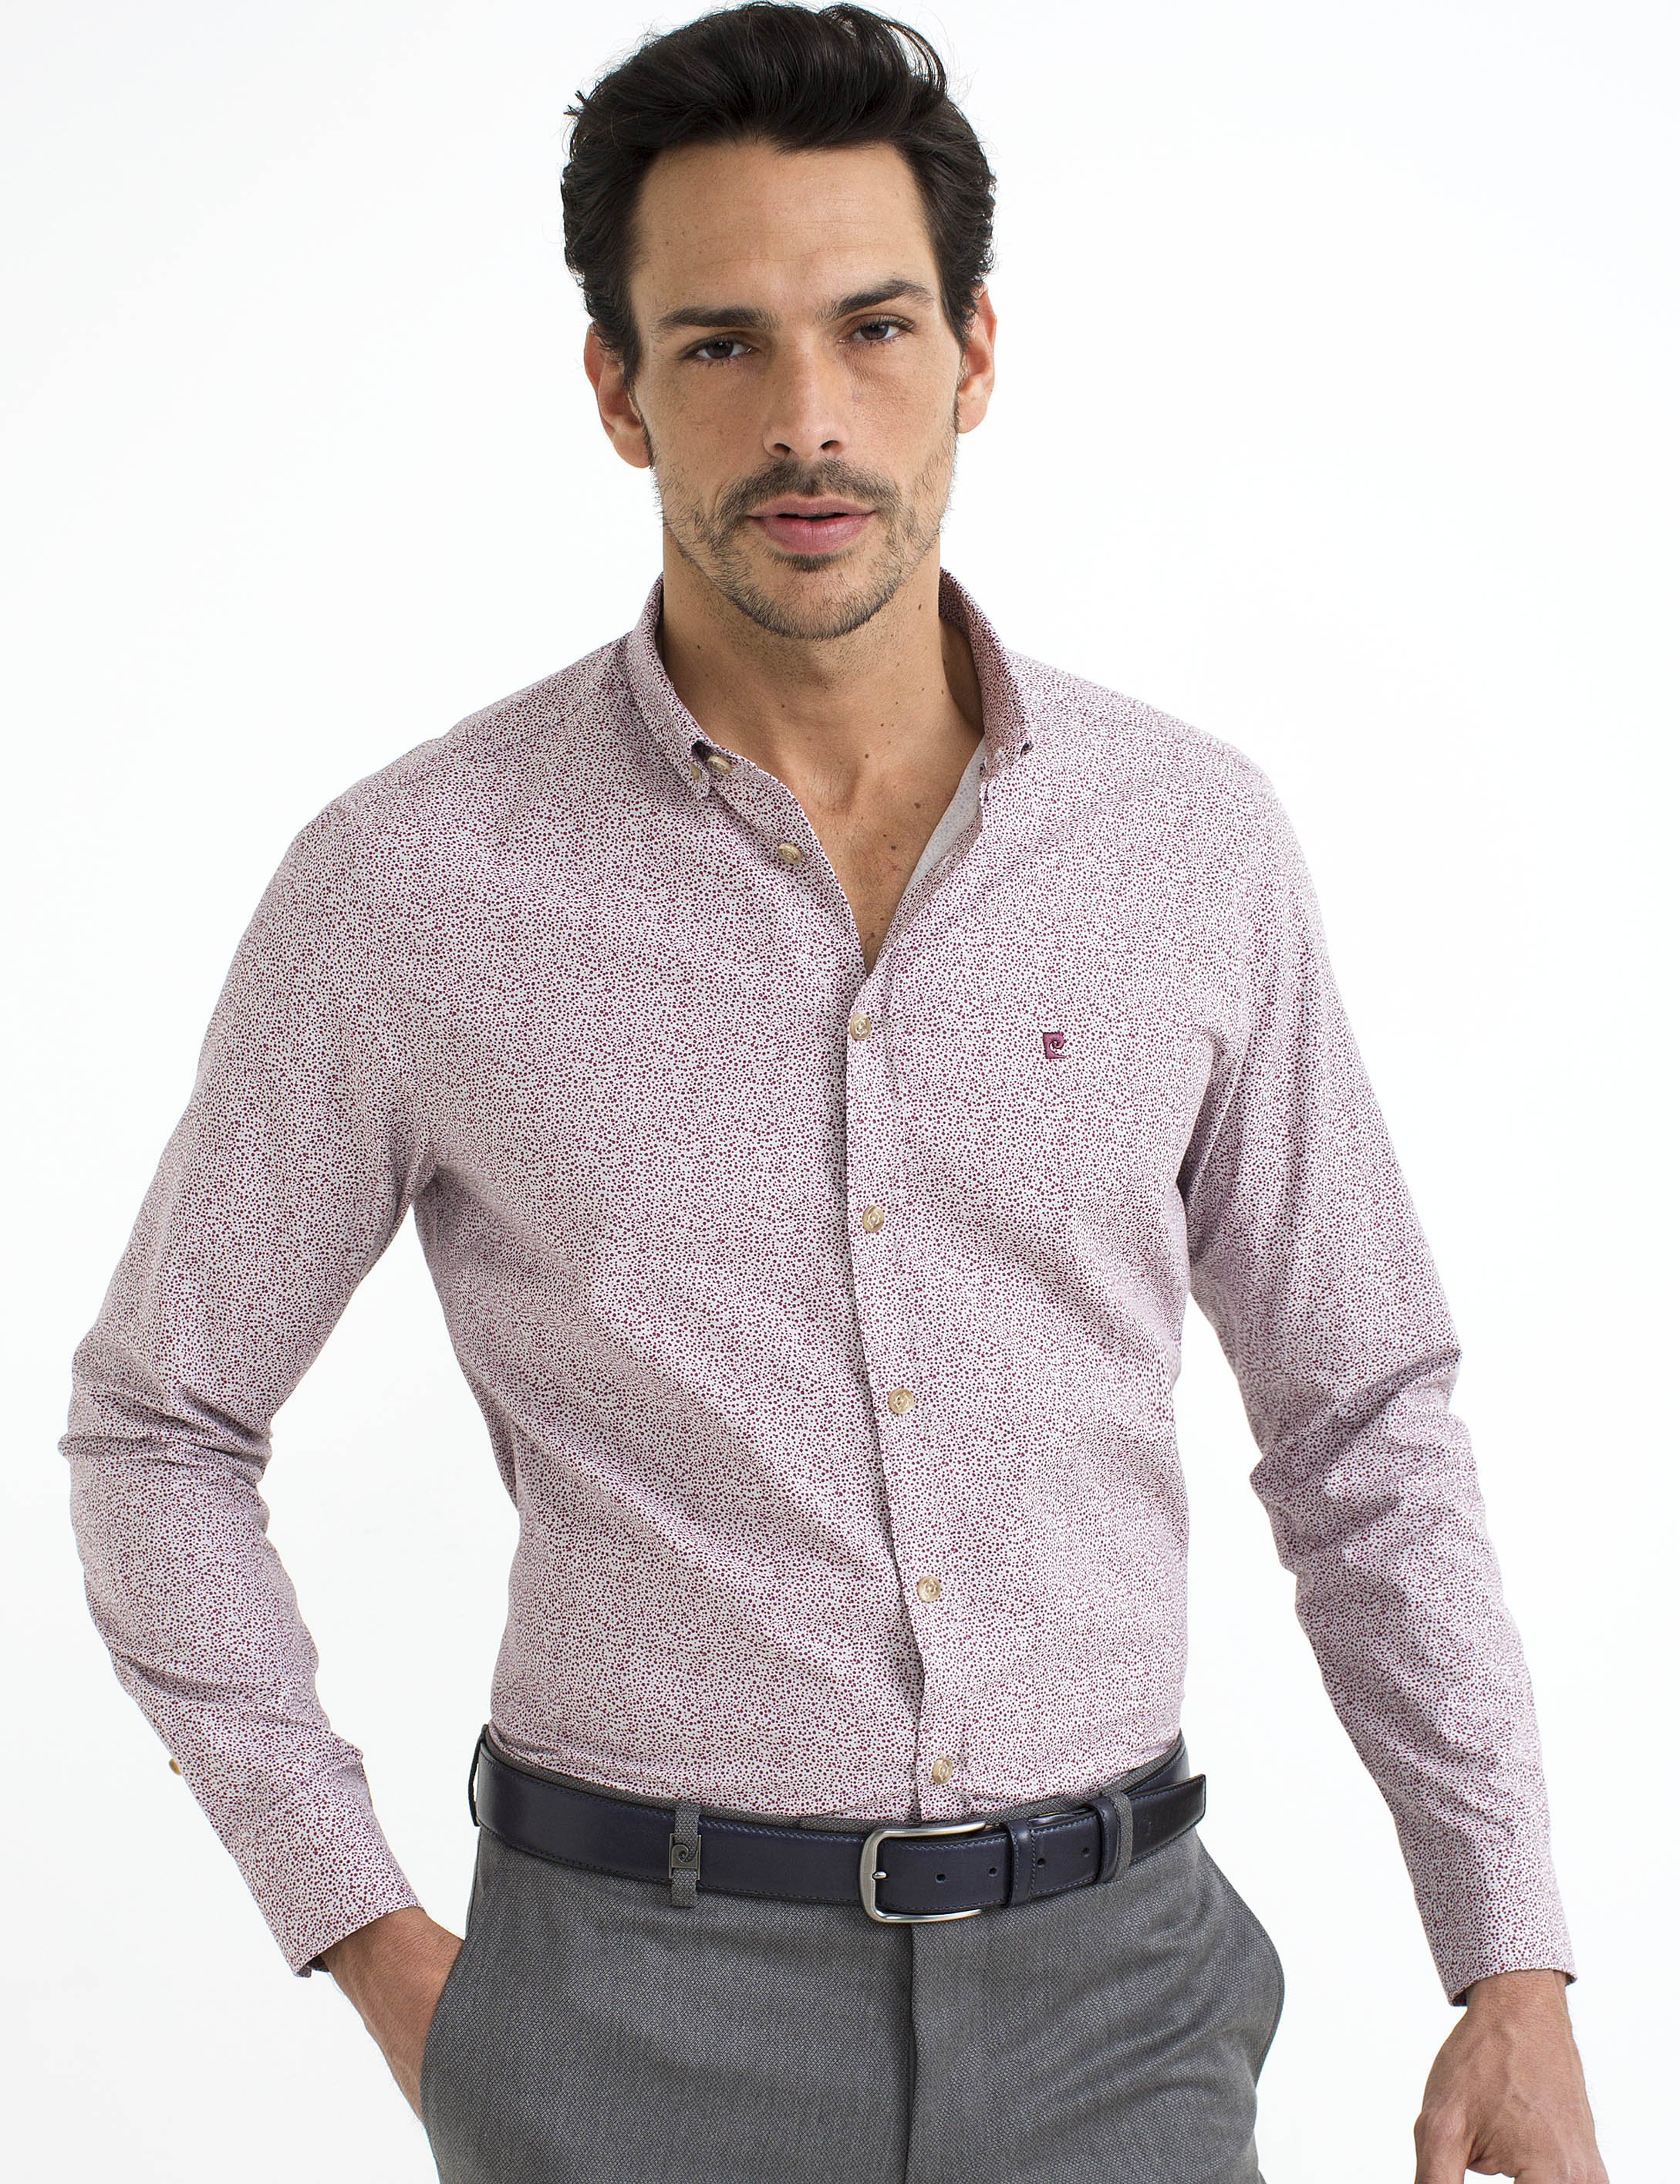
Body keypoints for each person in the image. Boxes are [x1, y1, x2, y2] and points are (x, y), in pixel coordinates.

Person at [61, 6, 1608, 2180]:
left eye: (872, 329)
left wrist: (1507, 1955)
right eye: (720, 345)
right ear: (617, 389)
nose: (808, 419)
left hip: (1120, 2013)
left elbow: (1361, 1418)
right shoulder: (410, 888)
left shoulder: (1189, 848)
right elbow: (159, 1426)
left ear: (971, 355)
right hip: (624, 2021)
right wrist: (377, 1941)